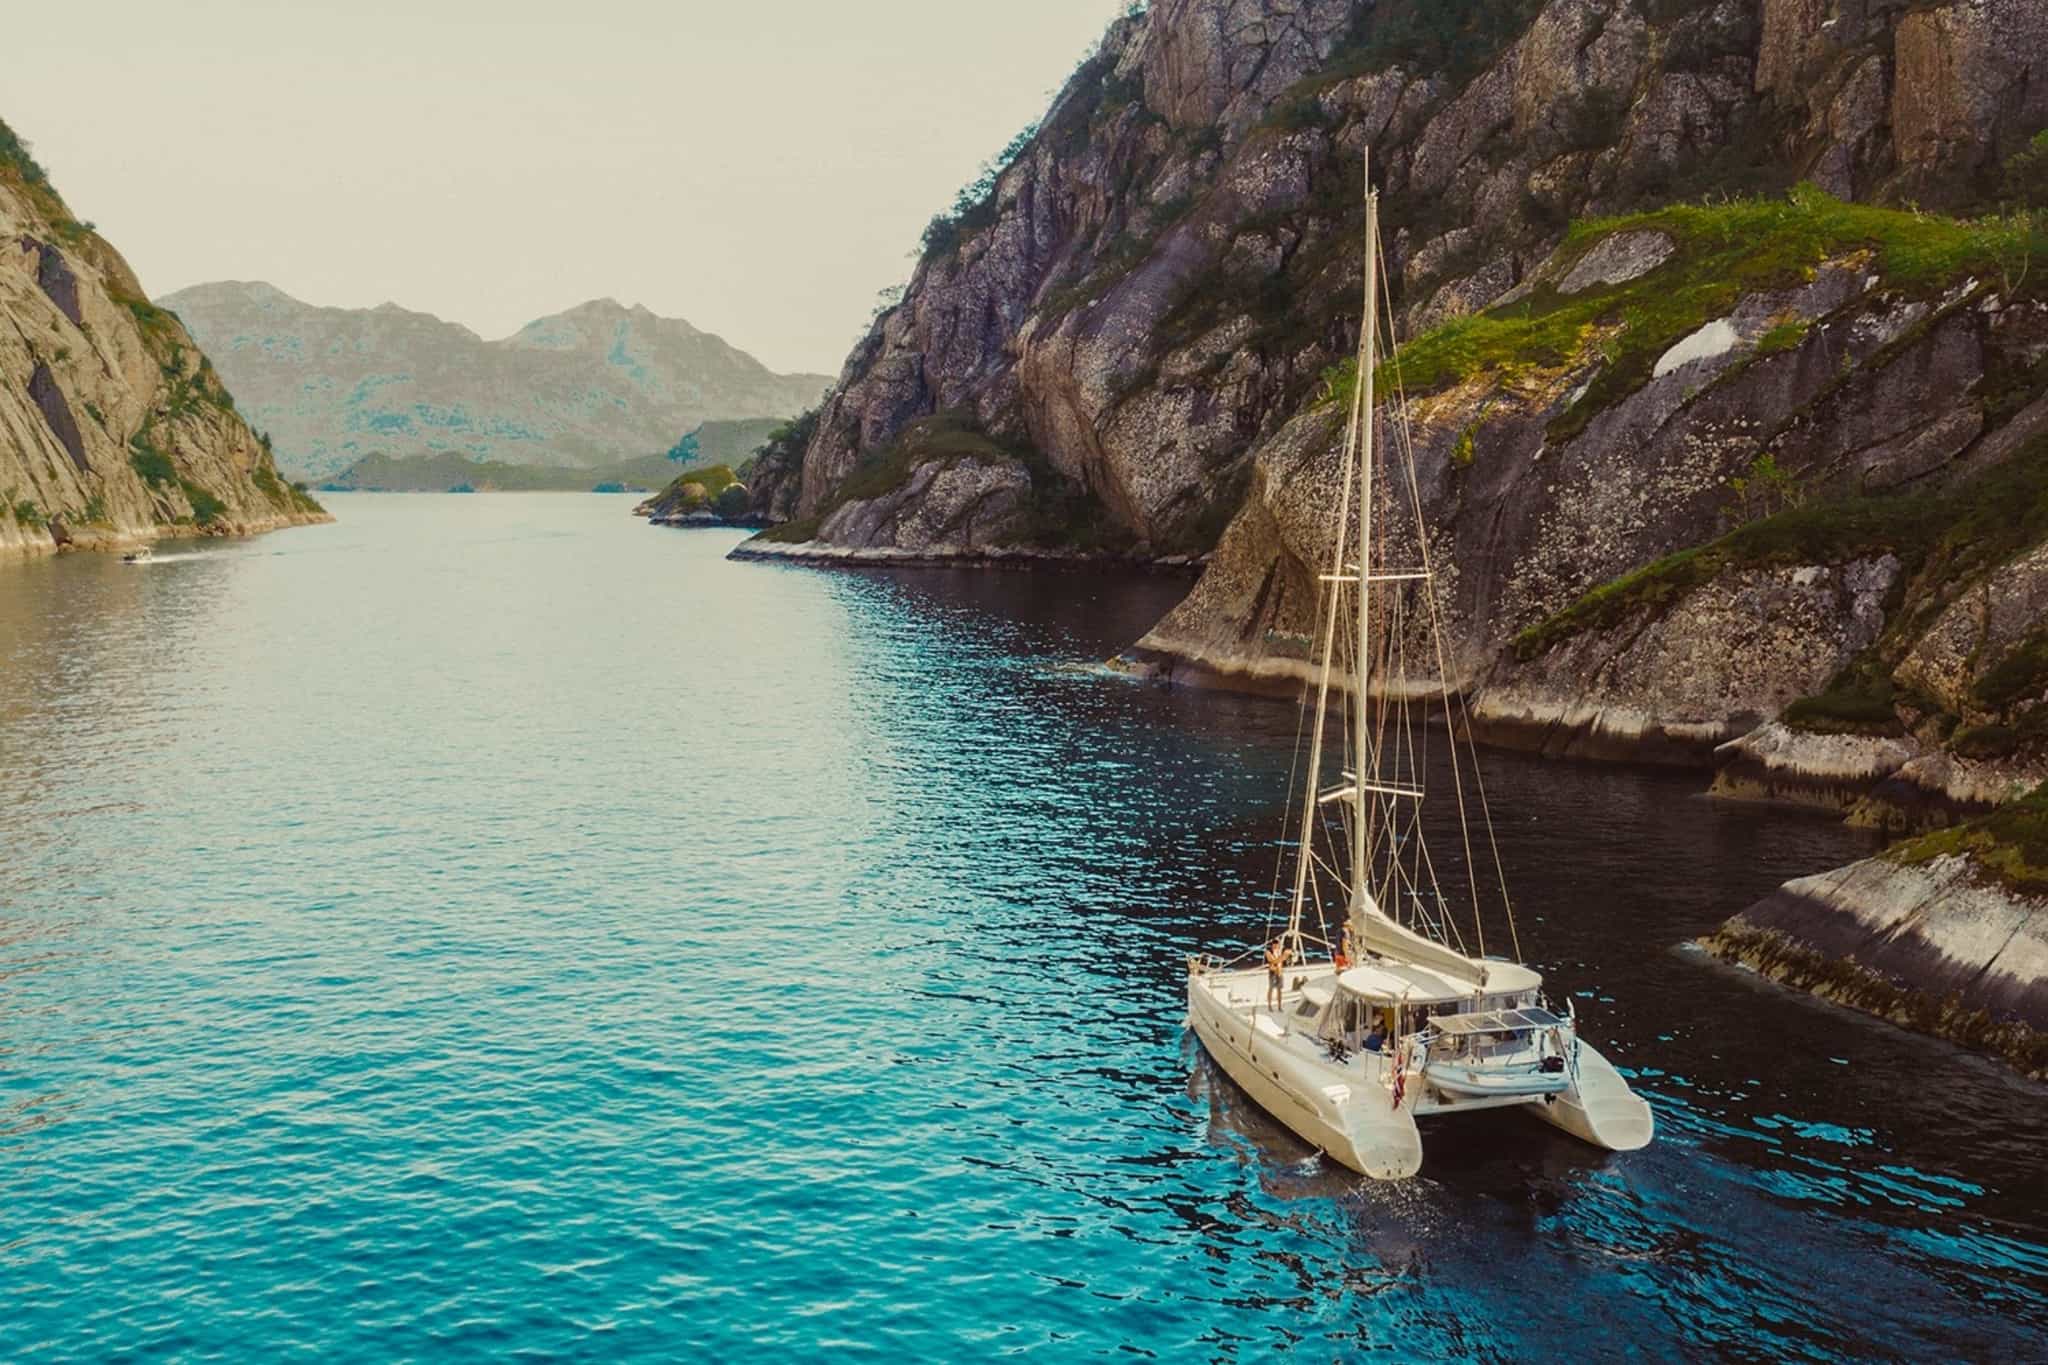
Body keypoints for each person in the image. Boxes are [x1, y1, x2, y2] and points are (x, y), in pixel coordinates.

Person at [1264, 938, 1289, 1010]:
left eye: (1277, 944)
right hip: (1273, 973)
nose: (1276, 946)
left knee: (1279, 990)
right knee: (1271, 989)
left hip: (1280, 972)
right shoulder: (1268, 952)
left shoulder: (1279, 952)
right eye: (1274, 944)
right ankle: (1269, 1005)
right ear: (1272, 945)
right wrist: (1283, 956)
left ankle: (1279, 1006)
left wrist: (1286, 956)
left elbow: (1282, 961)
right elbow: (1273, 961)